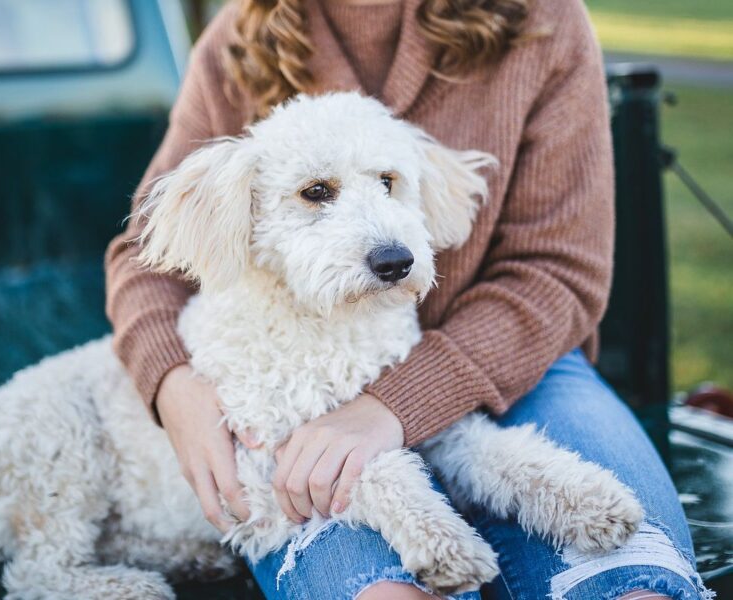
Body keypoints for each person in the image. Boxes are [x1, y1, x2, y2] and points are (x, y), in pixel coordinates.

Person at [105, 0, 711, 598]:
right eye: (318, 191)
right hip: (299, 388)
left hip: (525, 365)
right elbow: (144, 255)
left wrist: (392, 406)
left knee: (631, 580)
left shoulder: (543, 20)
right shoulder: (240, 35)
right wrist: (172, 384)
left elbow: (558, 269)